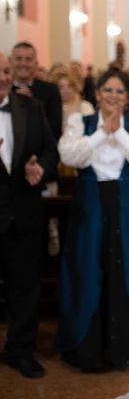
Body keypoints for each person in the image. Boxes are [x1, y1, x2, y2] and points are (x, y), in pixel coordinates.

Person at [56, 69, 129, 371]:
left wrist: (118, 132)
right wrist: (100, 134)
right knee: (89, 270)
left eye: (120, 92)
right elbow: (69, 156)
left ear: (128, 97)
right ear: (97, 93)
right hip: (91, 207)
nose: (114, 97)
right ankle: (90, 346)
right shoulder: (79, 123)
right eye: (108, 90)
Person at [0, 53, 57, 378]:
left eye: (7, 71)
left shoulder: (30, 107)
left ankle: (21, 351)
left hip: (23, 213)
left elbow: (51, 149)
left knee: (25, 288)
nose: (4, 77)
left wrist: (42, 167)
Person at [11, 42, 63, 140]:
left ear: (36, 63)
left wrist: (33, 103)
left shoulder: (50, 90)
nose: (23, 63)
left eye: (28, 59)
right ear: (11, 62)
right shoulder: (4, 90)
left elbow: (55, 129)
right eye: (18, 59)